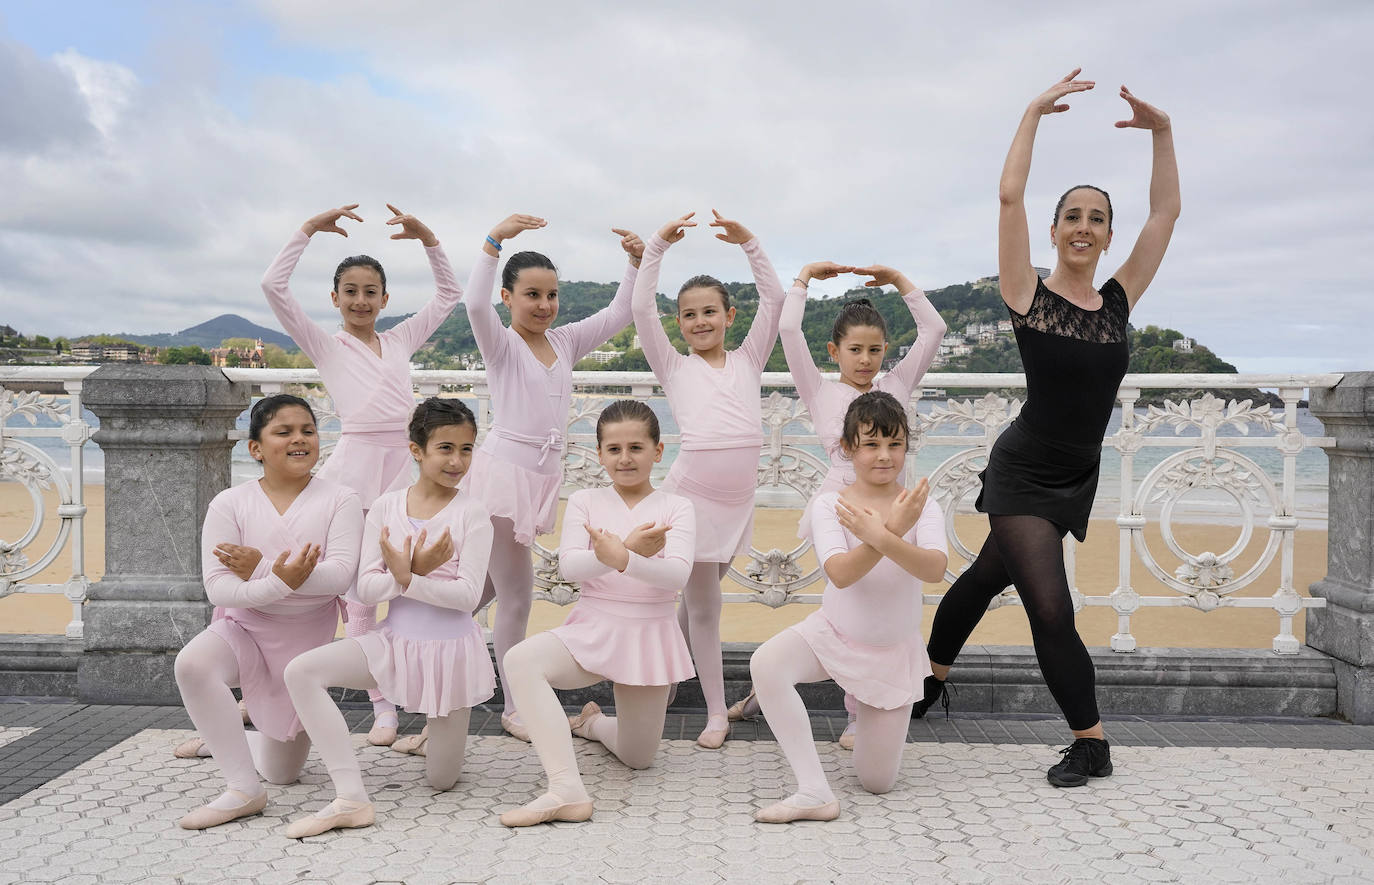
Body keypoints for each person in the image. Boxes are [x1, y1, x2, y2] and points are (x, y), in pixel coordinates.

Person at [920, 69, 1180, 787]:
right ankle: (1092, 740)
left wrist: (1162, 133)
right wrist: (1032, 111)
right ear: (1057, 228)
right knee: (1050, 606)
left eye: (1097, 218)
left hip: (1076, 475)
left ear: (1106, 235)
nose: (1084, 227)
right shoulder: (1025, 294)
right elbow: (1008, 195)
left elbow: (1165, 216)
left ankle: (929, 678)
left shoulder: (1118, 301)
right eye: (1074, 216)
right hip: (1023, 470)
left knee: (982, 578)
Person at [261, 203, 462, 746]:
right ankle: (381, 706)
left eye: (371, 291)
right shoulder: (326, 344)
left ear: (384, 299)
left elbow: (449, 296)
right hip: (353, 472)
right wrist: (306, 230)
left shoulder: (399, 341)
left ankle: (413, 692)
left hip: (403, 468)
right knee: (355, 592)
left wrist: (429, 239)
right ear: (335, 299)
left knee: (407, 580)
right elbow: (274, 287)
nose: (361, 300)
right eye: (350, 291)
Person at [730, 261, 947, 750]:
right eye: (855, 350)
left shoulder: (897, 385)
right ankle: (769, 689)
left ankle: (857, 715)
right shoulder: (821, 390)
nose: (865, 360)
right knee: (840, 609)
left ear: (886, 352)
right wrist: (804, 277)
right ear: (836, 351)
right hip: (841, 510)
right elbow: (788, 328)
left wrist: (898, 280)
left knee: (881, 605)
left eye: (875, 350)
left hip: (893, 511)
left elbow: (934, 328)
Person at [460, 215, 646, 742]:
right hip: (503, 477)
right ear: (508, 298)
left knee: (486, 589)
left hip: (538, 479)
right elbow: (473, 306)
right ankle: (516, 706)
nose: (544, 305)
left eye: (552, 295)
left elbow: (620, 312)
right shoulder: (501, 345)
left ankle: (420, 635)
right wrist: (493, 240)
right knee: (517, 596)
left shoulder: (563, 343)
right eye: (532, 295)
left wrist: (635, 263)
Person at [281, 398, 494, 838]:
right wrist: (413, 571)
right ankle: (349, 795)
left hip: (449, 655)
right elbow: (364, 588)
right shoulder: (385, 507)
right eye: (446, 448)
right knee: (302, 671)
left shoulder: (472, 513)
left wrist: (406, 575)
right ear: (416, 451)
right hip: (392, 642)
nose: (457, 461)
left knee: (443, 781)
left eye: (467, 449)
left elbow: (467, 597)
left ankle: (431, 739)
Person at [750, 391, 946, 823]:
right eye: (871, 444)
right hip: (832, 635)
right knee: (766, 663)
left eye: (894, 445)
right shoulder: (830, 504)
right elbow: (840, 573)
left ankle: (866, 720)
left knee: (877, 781)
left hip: (891, 653)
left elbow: (935, 569)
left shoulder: (921, 505)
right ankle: (814, 790)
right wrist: (891, 531)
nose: (884, 456)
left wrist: (884, 533)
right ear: (848, 448)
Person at [498, 400, 696, 827]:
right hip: (594, 626)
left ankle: (592, 724)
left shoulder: (677, 508)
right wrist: (625, 552)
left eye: (637, 448)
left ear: (658, 452)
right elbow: (569, 566)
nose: (625, 459)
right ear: (600, 452)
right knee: (521, 661)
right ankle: (565, 788)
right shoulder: (587, 500)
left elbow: (676, 575)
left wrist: (622, 556)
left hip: (650, 634)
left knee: (638, 757)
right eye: (614, 449)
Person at [632, 210, 787, 748]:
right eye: (689, 315)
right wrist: (656, 248)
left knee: (698, 600)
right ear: (680, 323)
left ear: (728, 315)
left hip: (736, 502)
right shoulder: (674, 367)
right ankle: (717, 712)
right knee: (705, 607)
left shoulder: (750, 359)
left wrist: (751, 244)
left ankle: (665, 678)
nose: (700, 321)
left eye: (709, 313)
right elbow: (639, 309)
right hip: (692, 500)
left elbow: (776, 302)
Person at [172, 395, 362, 829]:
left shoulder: (340, 499)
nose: (299, 439)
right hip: (246, 627)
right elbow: (220, 589)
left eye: (308, 431)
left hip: (304, 639)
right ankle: (242, 789)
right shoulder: (230, 503)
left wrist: (259, 567)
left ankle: (225, 739)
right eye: (284, 432)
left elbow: (337, 576)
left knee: (283, 773)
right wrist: (281, 580)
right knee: (193, 664)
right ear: (256, 448)